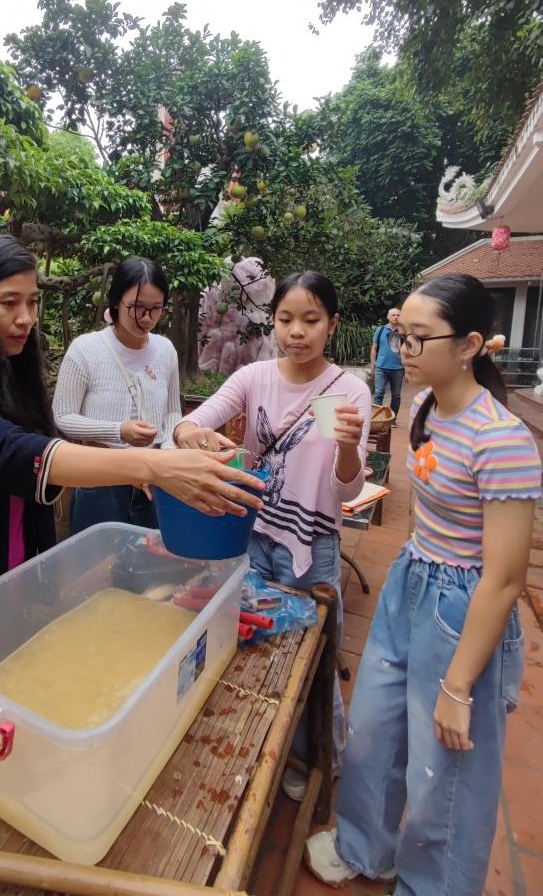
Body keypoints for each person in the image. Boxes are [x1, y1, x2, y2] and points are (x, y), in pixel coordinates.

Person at [0, 232, 264, 705]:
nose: (26, 318)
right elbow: (21, 452)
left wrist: (168, 448)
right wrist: (153, 465)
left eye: (32, 302)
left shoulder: (12, 378)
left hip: (9, 594)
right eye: (8, 303)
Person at [305, 274, 542, 895]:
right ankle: (364, 846)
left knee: (447, 768)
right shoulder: (425, 408)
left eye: (416, 339)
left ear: (468, 345)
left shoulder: (502, 440)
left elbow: (505, 578)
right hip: (411, 581)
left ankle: (433, 885)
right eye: (399, 336)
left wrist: (459, 686)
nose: (402, 351)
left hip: (464, 609)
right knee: (376, 729)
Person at [173, 270, 371, 798]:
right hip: (254, 534)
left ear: (332, 324)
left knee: (314, 658)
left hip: (313, 546)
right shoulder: (255, 377)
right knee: (253, 641)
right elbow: (193, 421)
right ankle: (262, 744)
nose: (296, 332)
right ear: (274, 322)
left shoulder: (347, 391)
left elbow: (347, 491)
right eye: (285, 319)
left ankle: (321, 758)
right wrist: (191, 433)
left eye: (311, 320)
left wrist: (347, 446)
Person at [53, 257, 180, 534]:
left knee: (149, 557)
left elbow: (172, 412)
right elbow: (63, 416)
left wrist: (166, 456)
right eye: (136, 307)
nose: (146, 317)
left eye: (155, 308)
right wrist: (119, 431)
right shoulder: (86, 349)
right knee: (97, 559)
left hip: (153, 482)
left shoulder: (166, 350)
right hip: (101, 483)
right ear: (115, 302)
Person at [370, 307, 404, 424]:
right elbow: (374, 348)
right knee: (378, 394)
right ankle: (376, 419)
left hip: (398, 368)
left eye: (398, 315)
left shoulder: (403, 332)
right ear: (388, 317)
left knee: (396, 395)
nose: (395, 317)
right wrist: (373, 365)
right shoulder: (380, 330)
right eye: (393, 315)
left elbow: (407, 350)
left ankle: (392, 420)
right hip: (381, 367)